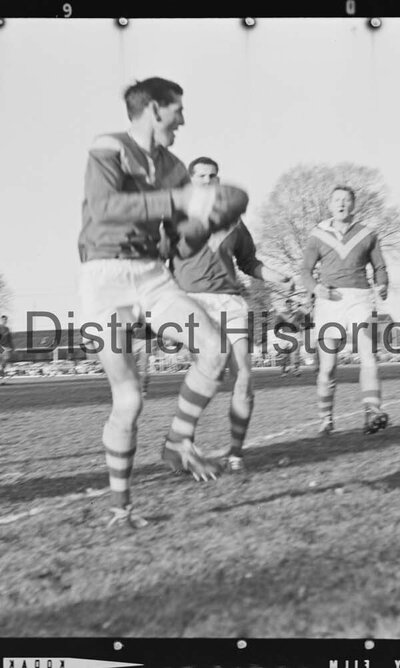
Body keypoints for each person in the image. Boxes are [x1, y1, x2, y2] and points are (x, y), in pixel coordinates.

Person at [78, 77, 246, 528]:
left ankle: (177, 443)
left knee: (214, 348)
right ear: (154, 109)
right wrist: (180, 199)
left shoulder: (174, 167)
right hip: (104, 277)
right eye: (177, 110)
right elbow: (104, 207)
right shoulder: (109, 147)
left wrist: (206, 223)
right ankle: (122, 508)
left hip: (151, 274)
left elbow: (179, 243)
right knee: (129, 398)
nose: (183, 120)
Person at [169, 156, 293, 472]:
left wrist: (278, 276)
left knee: (244, 377)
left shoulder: (234, 221)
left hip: (230, 302)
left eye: (213, 176)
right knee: (208, 375)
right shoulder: (174, 218)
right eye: (201, 176)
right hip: (193, 302)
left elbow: (249, 262)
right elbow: (157, 262)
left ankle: (236, 453)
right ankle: (183, 445)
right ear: (190, 181)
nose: (207, 180)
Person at [301, 186, 390, 436]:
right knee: (328, 366)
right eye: (337, 200)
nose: (341, 204)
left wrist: (383, 284)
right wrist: (315, 288)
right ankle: (326, 419)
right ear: (330, 205)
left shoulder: (367, 234)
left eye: (346, 200)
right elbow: (305, 271)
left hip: (360, 298)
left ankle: (372, 411)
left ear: (353, 205)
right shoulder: (317, 235)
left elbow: (380, 267)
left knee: (368, 356)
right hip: (329, 301)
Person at [276, 297, 309, 376]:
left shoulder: (299, 313)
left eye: (291, 304)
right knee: (284, 355)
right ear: (285, 305)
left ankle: (296, 370)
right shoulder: (282, 314)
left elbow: (306, 317)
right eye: (288, 304)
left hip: (296, 334)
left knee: (295, 354)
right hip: (285, 335)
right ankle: (284, 370)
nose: (290, 305)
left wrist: (301, 306)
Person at [0, 314, 15, 385]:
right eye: (3, 319)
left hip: (6, 347)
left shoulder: (7, 329)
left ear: (6, 320)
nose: (4, 321)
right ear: (1, 320)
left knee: (3, 364)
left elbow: (10, 339)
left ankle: (2, 381)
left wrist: (12, 348)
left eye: (5, 320)